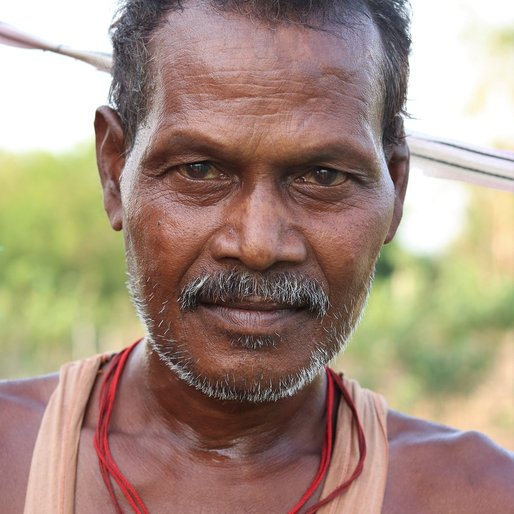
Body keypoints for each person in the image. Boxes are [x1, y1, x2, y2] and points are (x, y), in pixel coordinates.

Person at [1, 1, 513, 512]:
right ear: (115, 172)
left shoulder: (476, 494)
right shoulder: (12, 456)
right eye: (200, 170)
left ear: (395, 189)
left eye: (323, 177)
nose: (259, 245)